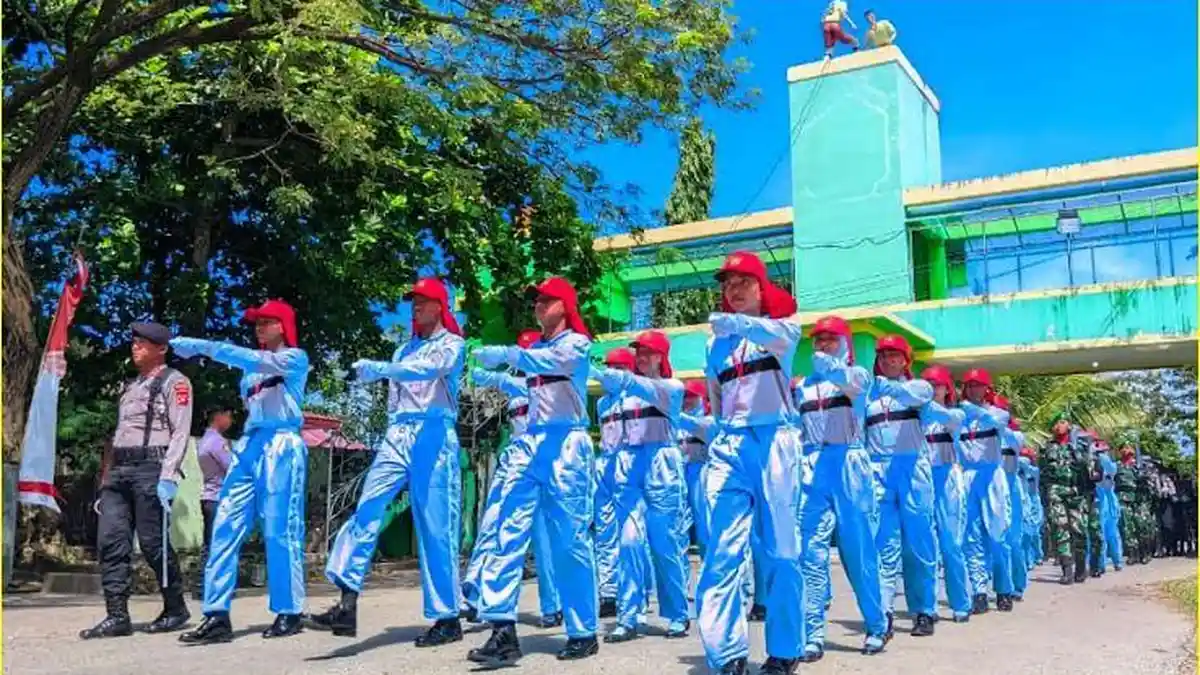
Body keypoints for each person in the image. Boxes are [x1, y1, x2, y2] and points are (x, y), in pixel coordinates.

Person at [310, 278, 466, 644]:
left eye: (423, 301)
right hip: (399, 434)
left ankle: (448, 617)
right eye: (413, 301)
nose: (415, 306)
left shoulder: (453, 346)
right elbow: (396, 400)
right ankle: (346, 603)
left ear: (440, 306)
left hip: (434, 434)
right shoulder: (401, 351)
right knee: (366, 508)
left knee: (436, 528)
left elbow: (427, 371)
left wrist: (382, 369)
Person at [468, 277, 600, 666]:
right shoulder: (535, 348)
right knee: (505, 529)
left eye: (546, 300)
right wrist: (496, 372)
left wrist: (509, 354)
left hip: (567, 445)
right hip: (531, 444)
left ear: (565, 305)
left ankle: (582, 629)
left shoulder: (577, 343)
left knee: (570, 541)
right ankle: (502, 628)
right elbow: (522, 378)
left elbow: (550, 363)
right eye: (536, 301)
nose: (538, 306)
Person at [173, 299, 311, 643]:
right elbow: (250, 370)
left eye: (265, 322)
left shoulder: (294, 358)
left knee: (280, 531)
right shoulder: (250, 372)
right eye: (256, 322)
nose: (258, 327)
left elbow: (251, 358)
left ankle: (289, 610)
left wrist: (205, 347)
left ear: (282, 325)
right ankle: (216, 614)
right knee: (224, 527)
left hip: (282, 442)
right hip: (249, 445)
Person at [696, 251, 805, 675]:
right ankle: (727, 654)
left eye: (743, 282)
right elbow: (717, 396)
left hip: (775, 438)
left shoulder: (784, 330)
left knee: (780, 551)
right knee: (721, 551)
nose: (733, 290)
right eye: (727, 283)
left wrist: (740, 324)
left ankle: (784, 649)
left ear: (762, 288)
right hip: (732, 443)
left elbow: (773, 335)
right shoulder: (714, 344)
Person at [80, 322, 193, 640]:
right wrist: (105, 480)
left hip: (151, 468)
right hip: (119, 472)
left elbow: (181, 431)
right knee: (111, 543)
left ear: (161, 349)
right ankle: (117, 615)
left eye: (143, 343)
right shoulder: (129, 387)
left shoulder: (176, 382)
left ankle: (175, 607)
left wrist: (169, 475)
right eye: (134, 342)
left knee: (154, 544)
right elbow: (115, 435)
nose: (135, 347)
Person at [590, 330, 692, 642]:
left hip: (661, 465)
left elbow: (646, 388)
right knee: (629, 543)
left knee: (665, 545)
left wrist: (598, 371)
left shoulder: (672, 388)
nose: (642, 357)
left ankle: (677, 613)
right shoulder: (623, 397)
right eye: (639, 352)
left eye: (648, 352)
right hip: (630, 468)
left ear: (662, 357)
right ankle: (628, 616)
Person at [797, 315, 887, 661]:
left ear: (845, 344)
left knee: (859, 550)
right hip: (813, 468)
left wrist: (832, 364)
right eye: (818, 341)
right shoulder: (802, 387)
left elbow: (847, 379)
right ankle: (813, 633)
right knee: (811, 552)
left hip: (849, 464)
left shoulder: (857, 376)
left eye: (831, 340)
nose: (822, 346)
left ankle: (877, 624)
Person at [462, 329, 562, 628]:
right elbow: (499, 380)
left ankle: (553, 605)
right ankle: (478, 596)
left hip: (541, 457)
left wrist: (491, 375)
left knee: (543, 536)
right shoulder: (516, 383)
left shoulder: (548, 386)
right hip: (515, 457)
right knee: (493, 525)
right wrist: (478, 371)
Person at [868, 335, 948, 638]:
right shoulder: (870, 398)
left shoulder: (920, 389)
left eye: (894, 356)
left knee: (919, 543)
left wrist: (885, 385)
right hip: (879, 471)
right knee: (882, 544)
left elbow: (912, 394)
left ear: (905, 361)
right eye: (883, 356)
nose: (888, 360)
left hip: (913, 468)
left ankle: (924, 610)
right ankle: (884, 611)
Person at [956, 368, 1013, 613]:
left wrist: (973, 411)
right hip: (968, 476)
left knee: (998, 536)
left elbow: (997, 423)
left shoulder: (997, 414)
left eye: (978, 385)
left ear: (987, 389)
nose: (973, 390)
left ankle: (1003, 589)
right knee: (971, 536)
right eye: (969, 386)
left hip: (992, 477)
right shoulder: (959, 417)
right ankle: (979, 590)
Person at [920, 365, 970, 623]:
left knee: (951, 544)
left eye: (936, 384)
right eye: (927, 383)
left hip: (947, 479)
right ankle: (928, 607)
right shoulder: (916, 415)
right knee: (926, 546)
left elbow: (949, 420)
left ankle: (961, 602)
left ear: (946, 388)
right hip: (921, 479)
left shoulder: (955, 414)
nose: (931, 388)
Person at [595, 347, 636, 619]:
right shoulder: (602, 403)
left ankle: (633, 592)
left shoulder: (634, 399)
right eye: (607, 366)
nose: (609, 372)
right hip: (604, 462)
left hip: (628, 462)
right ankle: (608, 592)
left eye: (616, 367)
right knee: (604, 530)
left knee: (630, 533)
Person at [1037, 412, 1090, 585]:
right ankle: (1067, 570)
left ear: (1069, 426)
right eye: (1057, 422)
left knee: (1079, 530)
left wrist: (1076, 450)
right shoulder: (1046, 448)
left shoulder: (1080, 446)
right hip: (1056, 490)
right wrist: (1044, 496)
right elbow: (1043, 474)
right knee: (1061, 529)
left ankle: (1081, 566)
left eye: (1063, 422)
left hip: (1076, 491)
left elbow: (1087, 470)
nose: (1060, 426)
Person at [194, 407, 234, 598]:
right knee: (219, 544)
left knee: (209, 543)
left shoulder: (203, 441)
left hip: (208, 497)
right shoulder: (218, 443)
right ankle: (210, 586)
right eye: (228, 416)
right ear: (218, 417)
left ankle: (202, 584)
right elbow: (232, 468)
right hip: (219, 497)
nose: (230, 420)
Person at [992, 399, 1027, 603]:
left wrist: (999, 426)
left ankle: (1018, 584)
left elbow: (1015, 442)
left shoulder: (1014, 435)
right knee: (996, 541)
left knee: (1013, 540)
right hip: (992, 488)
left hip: (1012, 489)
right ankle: (1000, 587)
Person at [1092, 437, 1123, 573]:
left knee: (1113, 534)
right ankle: (1100, 564)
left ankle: (1117, 561)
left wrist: (1101, 458)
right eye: (1100, 452)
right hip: (1097, 500)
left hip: (1109, 501)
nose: (1102, 454)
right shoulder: (1091, 464)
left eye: (1104, 451)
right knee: (1099, 533)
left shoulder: (1111, 465)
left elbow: (1110, 469)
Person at [1017, 447, 1045, 570]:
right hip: (1023, 500)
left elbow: (1024, 464)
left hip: (1034, 502)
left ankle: (1038, 555)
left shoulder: (1034, 471)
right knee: (1025, 533)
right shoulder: (1018, 470)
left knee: (1035, 533)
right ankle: (1028, 559)